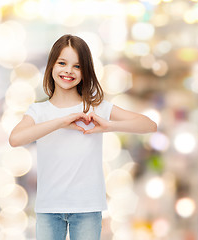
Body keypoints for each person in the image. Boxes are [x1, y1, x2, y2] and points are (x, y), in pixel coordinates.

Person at [9, 34, 157, 240]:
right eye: (62, 63)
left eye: (77, 66)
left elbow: (149, 125)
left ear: (85, 71)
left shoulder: (96, 107)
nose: (68, 70)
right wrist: (61, 121)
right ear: (52, 65)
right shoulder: (39, 111)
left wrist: (108, 125)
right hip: (49, 207)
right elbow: (15, 139)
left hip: (87, 207)